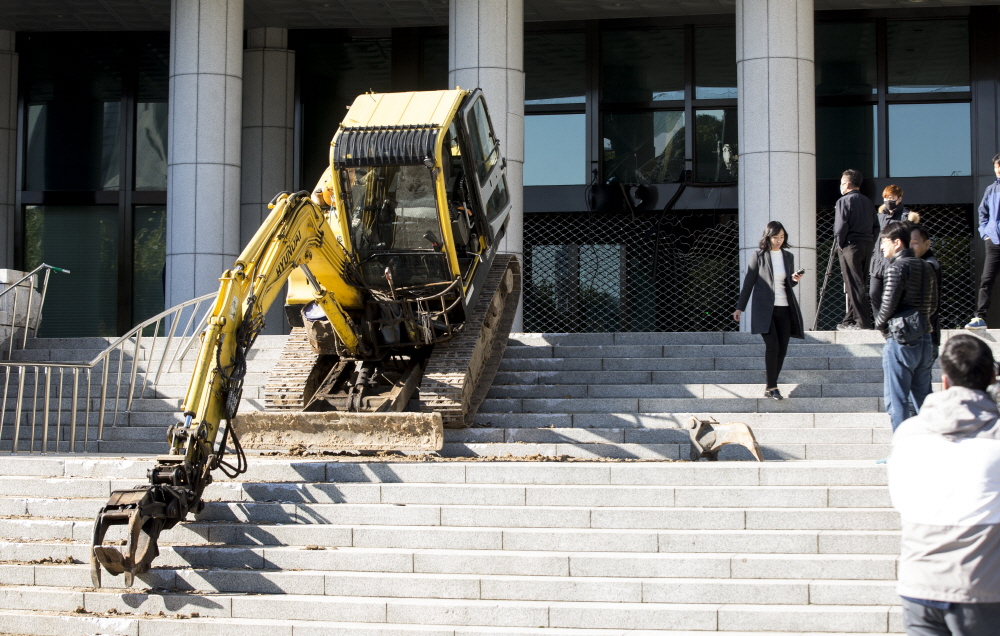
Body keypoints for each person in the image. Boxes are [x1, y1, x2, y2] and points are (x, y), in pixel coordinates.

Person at [888, 334, 1000, 635]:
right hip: (983, 588)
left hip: (919, 583)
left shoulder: (909, 433)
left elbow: (901, 501)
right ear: (992, 377)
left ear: (945, 381)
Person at [874, 221, 938, 431]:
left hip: (901, 338)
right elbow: (934, 305)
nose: (881, 247)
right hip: (925, 337)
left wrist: (880, 326)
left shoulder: (896, 267)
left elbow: (887, 305)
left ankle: (901, 445)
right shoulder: (927, 267)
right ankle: (932, 443)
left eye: (884, 241)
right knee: (924, 399)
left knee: (897, 399)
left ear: (897, 243)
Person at [733, 221, 805, 400]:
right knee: (773, 346)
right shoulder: (758, 256)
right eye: (775, 237)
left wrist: (794, 280)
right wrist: (740, 308)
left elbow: (788, 284)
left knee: (782, 350)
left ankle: (770, 386)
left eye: (782, 237)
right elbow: (748, 283)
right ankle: (773, 387)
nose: (779, 240)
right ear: (768, 237)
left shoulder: (788, 256)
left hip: (785, 309)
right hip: (765, 311)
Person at [834, 169, 879, 330]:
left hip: (850, 245)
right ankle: (849, 320)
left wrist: (840, 243)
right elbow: (876, 226)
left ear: (846, 184)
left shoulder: (843, 201)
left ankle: (862, 322)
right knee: (860, 283)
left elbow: (841, 226)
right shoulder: (868, 202)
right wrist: (871, 242)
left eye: (842, 183)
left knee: (853, 284)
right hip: (867, 244)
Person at [871, 185, 918, 319]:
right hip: (878, 263)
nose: (888, 201)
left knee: (893, 296)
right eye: (886, 198)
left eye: (892, 198)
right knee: (874, 293)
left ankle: (893, 322)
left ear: (899, 199)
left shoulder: (906, 218)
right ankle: (880, 323)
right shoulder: (878, 217)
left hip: (895, 263)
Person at [966, 153, 1000, 330]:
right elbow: (982, 213)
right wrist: (984, 232)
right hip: (993, 242)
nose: (998, 170)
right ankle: (980, 317)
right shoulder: (991, 189)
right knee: (986, 279)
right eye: (996, 167)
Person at [909, 224, 941, 359]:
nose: (910, 247)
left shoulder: (928, 266)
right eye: (907, 242)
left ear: (927, 244)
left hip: (923, 337)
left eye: (915, 242)